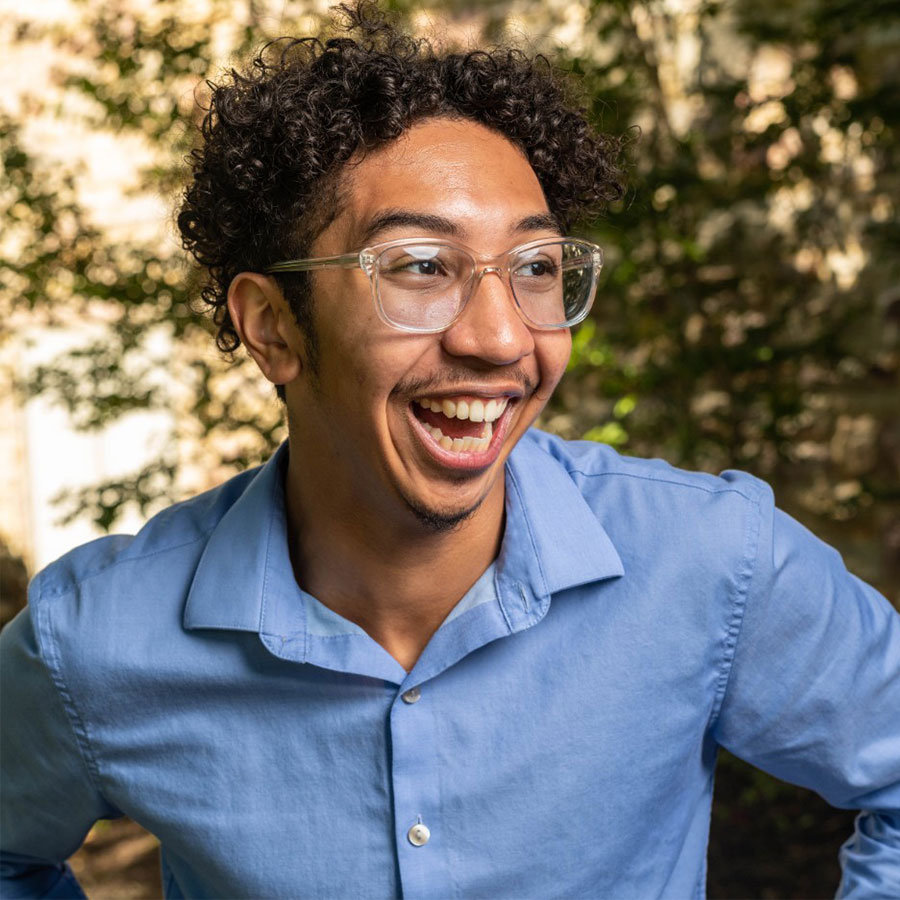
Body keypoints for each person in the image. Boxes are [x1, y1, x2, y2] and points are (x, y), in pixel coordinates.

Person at [2, 3, 898, 898]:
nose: (503, 338)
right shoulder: (96, 638)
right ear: (273, 328)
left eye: (537, 267)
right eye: (422, 266)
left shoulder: (708, 558)